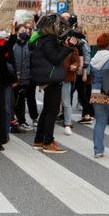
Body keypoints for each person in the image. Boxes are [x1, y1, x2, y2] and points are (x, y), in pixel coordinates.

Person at [31, 13, 73, 153]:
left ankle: (39, 140)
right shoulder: (48, 40)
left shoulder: (42, 39)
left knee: (47, 110)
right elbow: (55, 59)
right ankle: (47, 142)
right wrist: (68, 47)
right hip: (51, 79)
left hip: (47, 78)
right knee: (52, 111)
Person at [11, 24, 35, 133]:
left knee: (21, 101)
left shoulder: (28, 44)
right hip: (15, 78)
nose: (25, 32)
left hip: (26, 78)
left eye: (26, 30)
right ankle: (13, 121)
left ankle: (22, 121)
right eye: (22, 30)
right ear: (16, 32)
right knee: (14, 101)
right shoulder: (13, 44)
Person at [60, 31, 82, 136]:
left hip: (66, 78)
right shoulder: (57, 47)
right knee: (52, 104)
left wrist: (75, 65)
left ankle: (67, 125)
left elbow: (76, 60)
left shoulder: (73, 49)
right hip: (54, 79)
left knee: (66, 103)